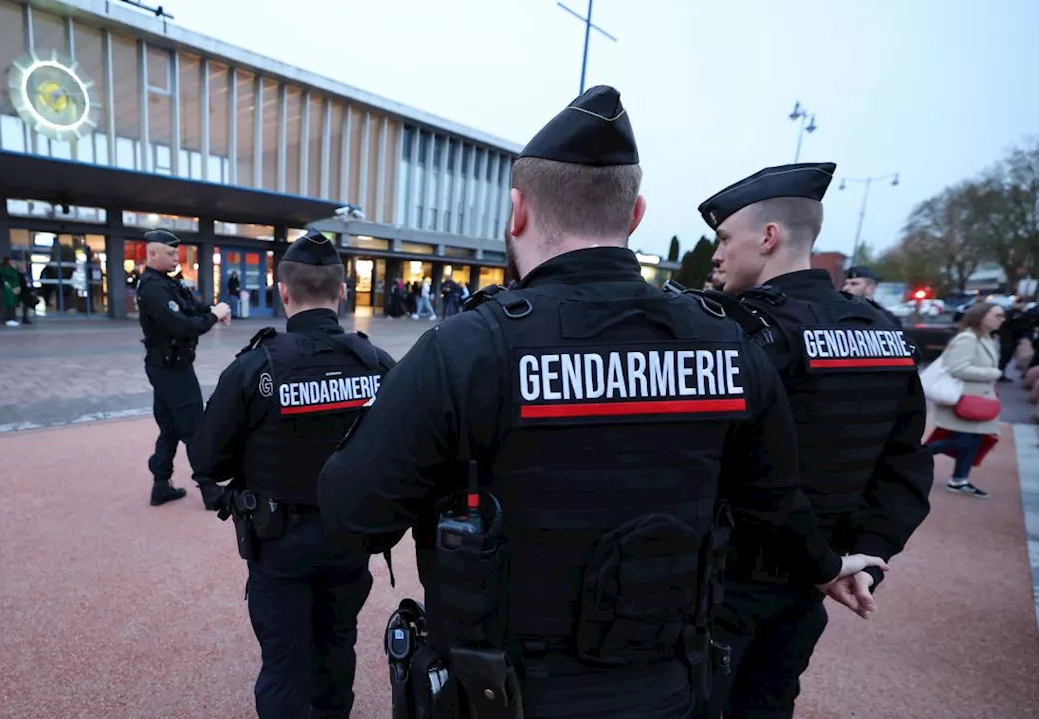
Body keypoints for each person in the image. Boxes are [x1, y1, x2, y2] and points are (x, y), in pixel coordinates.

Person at [318, 86, 884, 719]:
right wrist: (827, 565)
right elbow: (775, 501)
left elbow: (354, 514)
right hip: (668, 686)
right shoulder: (730, 341)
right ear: (635, 213)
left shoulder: (467, 348)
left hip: (501, 691)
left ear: (517, 212)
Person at [696, 163, 934, 718]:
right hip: (810, 586)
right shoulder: (880, 331)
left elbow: (751, 478)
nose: (717, 254)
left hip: (726, 582)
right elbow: (906, 465)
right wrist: (864, 561)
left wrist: (828, 563)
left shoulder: (738, 332)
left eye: (725, 238)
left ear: (769, 237)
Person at [192, 230, 396, 718]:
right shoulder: (378, 364)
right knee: (337, 645)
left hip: (279, 542)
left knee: (283, 664)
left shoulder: (253, 367)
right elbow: (405, 456)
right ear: (342, 291)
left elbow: (208, 461)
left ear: (282, 291)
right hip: (350, 538)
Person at [137, 230, 232, 507]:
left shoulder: (166, 283)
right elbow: (180, 325)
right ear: (152, 254)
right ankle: (209, 490)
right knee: (194, 428)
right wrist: (213, 317)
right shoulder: (153, 287)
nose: (176, 257)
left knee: (169, 428)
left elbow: (191, 308)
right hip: (172, 370)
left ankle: (160, 485)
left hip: (167, 367)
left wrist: (213, 310)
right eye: (170, 253)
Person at [924, 301, 1005, 498]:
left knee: (974, 440)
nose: (1001, 320)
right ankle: (911, 456)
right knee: (963, 441)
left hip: (977, 400)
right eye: (997, 315)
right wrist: (992, 373)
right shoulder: (968, 338)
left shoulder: (986, 338)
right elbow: (958, 368)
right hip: (965, 399)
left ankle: (960, 479)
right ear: (982, 316)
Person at [0, 257, 23, 327]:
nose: (12, 262)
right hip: (9, 289)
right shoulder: (6, 269)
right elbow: (13, 276)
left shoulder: (8, 268)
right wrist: (14, 268)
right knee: (10, 305)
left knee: (12, 305)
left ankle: (11, 319)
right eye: (11, 261)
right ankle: (10, 319)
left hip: (11, 289)